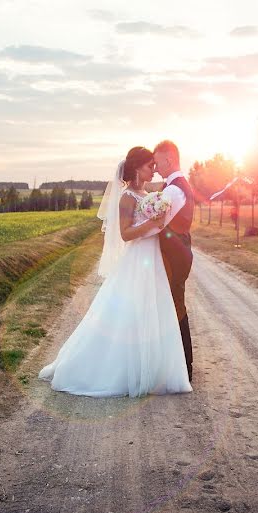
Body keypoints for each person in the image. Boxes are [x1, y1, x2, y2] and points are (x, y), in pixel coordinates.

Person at [38, 146, 193, 397]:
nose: (154, 169)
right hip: (137, 257)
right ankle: (114, 370)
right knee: (130, 313)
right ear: (136, 168)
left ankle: (155, 369)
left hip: (152, 257)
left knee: (153, 309)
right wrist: (152, 223)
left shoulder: (147, 193)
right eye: (149, 165)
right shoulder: (127, 197)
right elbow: (125, 233)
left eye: (155, 165)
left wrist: (158, 221)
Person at [152, 140, 196, 383]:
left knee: (175, 307)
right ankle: (177, 364)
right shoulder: (173, 186)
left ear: (169, 160)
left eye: (157, 162)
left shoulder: (175, 190)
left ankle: (184, 367)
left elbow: (158, 224)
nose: (156, 168)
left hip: (174, 257)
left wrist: (130, 232)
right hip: (175, 255)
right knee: (172, 306)